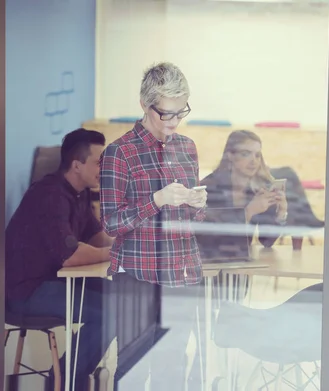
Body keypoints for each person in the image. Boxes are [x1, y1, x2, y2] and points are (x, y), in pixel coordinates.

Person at [100, 62, 208, 391]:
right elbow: (111, 222)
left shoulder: (187, 147)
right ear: (145, 106)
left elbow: (192, 220)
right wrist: (156, 200)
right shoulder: (118, 154)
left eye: (181, 112)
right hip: (137, 277)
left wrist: (198, 205)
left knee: (173, 365)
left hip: (183, 273)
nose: (174, 122)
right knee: (133, 368)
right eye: (167, 114)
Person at [5, 129, 115, 391]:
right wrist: (117, 253)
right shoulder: (50, 196)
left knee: (119, 298)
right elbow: (71, 256)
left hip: (52, 282)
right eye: (100, 162)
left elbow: (95, 235)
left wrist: (127, 244)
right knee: (110, 314)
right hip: (25, 293)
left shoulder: (78, 192)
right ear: (77, 165)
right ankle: (63, 381)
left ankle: (67, 377)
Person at [199, 129, 288, 248]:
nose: (254, 161)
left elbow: (266, 241)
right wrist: (249, 212)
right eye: (245, 154)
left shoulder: (258, 188)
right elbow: (211, 241)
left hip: (242, 261)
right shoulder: (210, 188)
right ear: (230, 155)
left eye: (257, 155)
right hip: (212, 261)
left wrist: (281, 213)